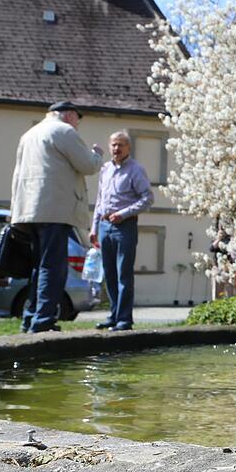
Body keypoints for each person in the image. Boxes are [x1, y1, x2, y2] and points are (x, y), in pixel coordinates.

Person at [10, 102, 102, 333]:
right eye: (77, 120)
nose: (77, 125)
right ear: (70, 115)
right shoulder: (63, 131)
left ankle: (30, 318)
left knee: (39, 266)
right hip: (54, 208)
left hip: (30, 209)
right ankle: (43, 321)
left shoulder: (29, 134)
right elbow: (88, 165)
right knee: (53, 267)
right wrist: (97, 154)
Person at [90, 131, 154, 330]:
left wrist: (124, 214)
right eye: (113, 145)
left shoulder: (136, 170)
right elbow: (100, 200)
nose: (116, 149)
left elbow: (147, 198)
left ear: (129, 148)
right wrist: (94, 228)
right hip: (104, 226)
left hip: (124, 226)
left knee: (123, 274)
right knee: (109, 273)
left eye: (121, 145)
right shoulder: (106, 169)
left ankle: (124, 319)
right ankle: (114, 315)